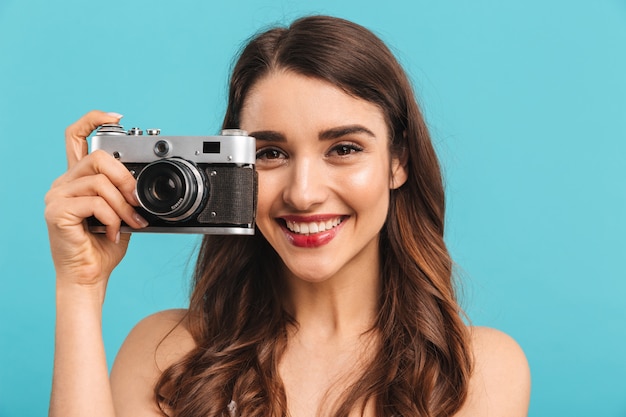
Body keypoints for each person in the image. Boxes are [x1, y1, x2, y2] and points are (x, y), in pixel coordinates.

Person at [45, 15, 530, 417]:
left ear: (398, 161)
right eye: (271, 153)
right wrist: (79, 290)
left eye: (343, 148)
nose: (303, 194)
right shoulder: (164, 353)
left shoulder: (479, 370)